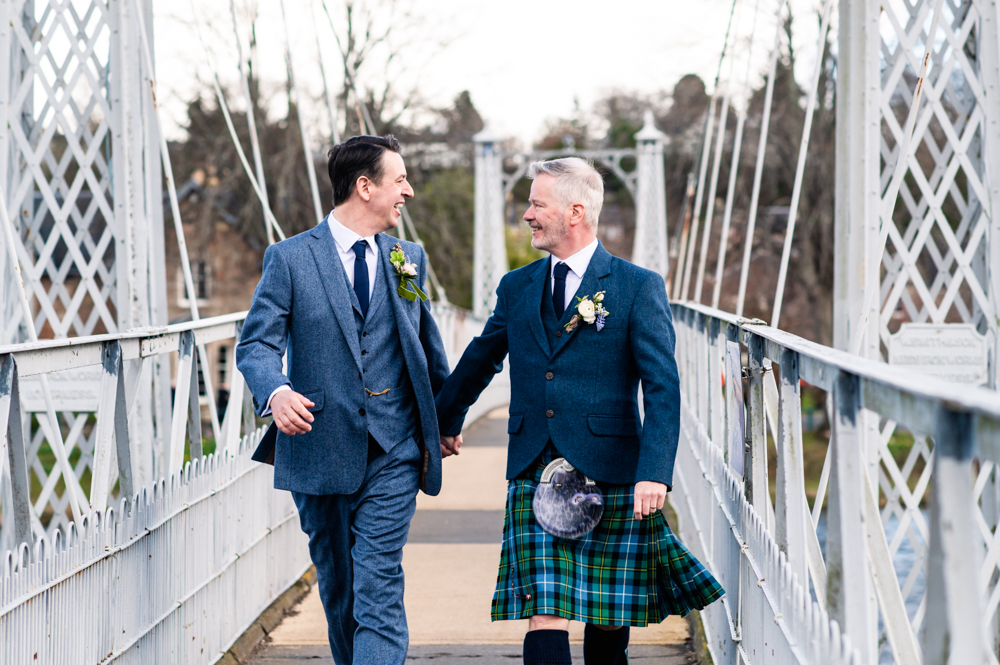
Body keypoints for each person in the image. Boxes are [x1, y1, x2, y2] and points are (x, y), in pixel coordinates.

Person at [435, 157, 724, 665]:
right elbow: (481, 358)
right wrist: (443, 421)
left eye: (536, 204)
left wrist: (655, 472)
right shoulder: (517, 286)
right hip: (535, 465)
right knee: (544, 608)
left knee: (607, 614)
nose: (527, 215)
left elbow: (662, 387)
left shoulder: (637, 285)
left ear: (575, 212)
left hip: (612, 466)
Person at [236, 135, 454, 665]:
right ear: (365, 187)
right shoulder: (290, 258)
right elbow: (257, 343)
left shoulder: (408, 258)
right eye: (400, 180)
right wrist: (276, 391)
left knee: (379, 583)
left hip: (395, 449)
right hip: (319, 446)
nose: (408, 191)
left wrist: (446, 418)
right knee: (341, 590)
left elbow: (426, 346)